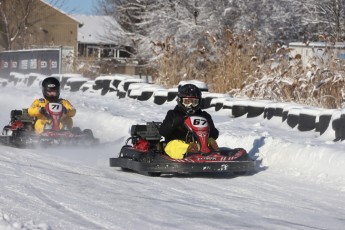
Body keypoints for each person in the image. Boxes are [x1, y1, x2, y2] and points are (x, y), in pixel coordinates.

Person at [159, 84, 219, 159]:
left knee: (210, 139)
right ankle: (189, 149)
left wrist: (210, 132)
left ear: (199, 102)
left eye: (194, 102)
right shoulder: (173, 114)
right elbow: (162, 132)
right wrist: (175, 121)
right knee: (174, 145)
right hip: (176, 145)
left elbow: (215, 134)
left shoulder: (204, 116)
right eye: (187, 102)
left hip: (199, 145)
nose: (191, 105)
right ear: (180, 100)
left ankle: (212, 151)